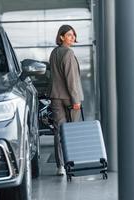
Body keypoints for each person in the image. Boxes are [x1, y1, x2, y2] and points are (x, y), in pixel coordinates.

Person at [49, 25, 84, 176]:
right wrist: (75, 99)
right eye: (69, 35)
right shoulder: (68, 53)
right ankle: (72, 162)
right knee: (72, 130)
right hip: (70, 98)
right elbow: (71, 80)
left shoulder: (54, 52)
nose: (73, 38)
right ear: (61, 37)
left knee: (58, 131)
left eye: (73, 35)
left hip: (55, 96)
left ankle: (60, 166)